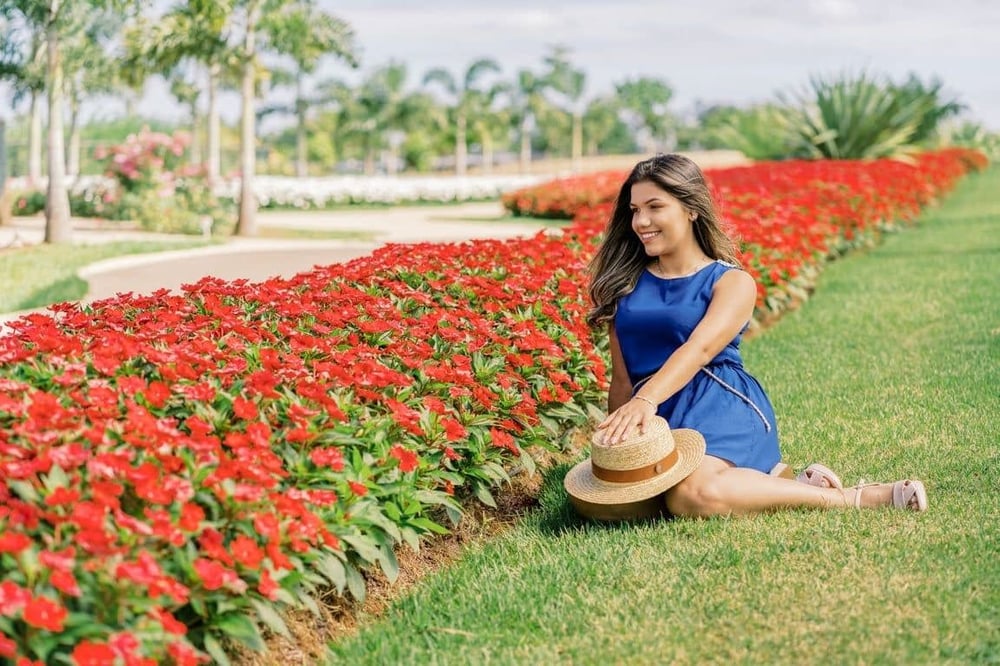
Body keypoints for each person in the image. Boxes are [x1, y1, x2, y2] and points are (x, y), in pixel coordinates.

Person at [586, 153, 927, 517]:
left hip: (719, 404)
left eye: (655, 207)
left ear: (691, 209)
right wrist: (616, 444)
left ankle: (850, 498)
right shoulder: (624, 286)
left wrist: (645, 401)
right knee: (619, 506)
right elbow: (622, 379)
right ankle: (789, 485)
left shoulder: (731, 282)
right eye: (635, 209)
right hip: (655, 416)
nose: (641, 221)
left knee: (691, 496)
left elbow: (700, 349)